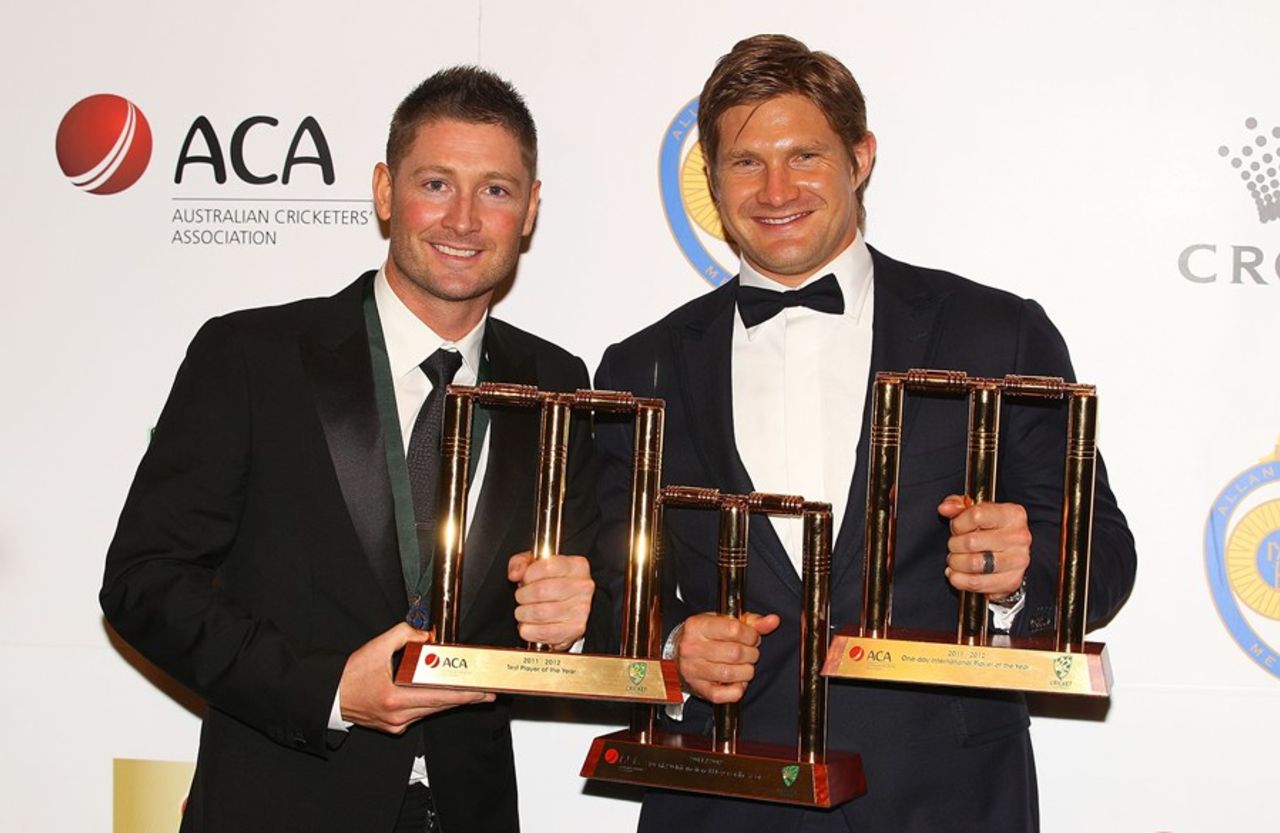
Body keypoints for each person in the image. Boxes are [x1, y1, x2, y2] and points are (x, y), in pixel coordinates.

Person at [593, 35, 1136, 832]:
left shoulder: (997, 334)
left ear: (860, 157)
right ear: (711, 179)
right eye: (746, 162)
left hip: (944, 800)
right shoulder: (640, 365)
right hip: (722, 799)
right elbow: (609, 585)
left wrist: (1016, 583)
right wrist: (673, 644)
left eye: (804, 155)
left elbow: (1106, 558)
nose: (776, 189)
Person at [101, 66, 599, 833]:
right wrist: (329, 688)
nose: (464, 218)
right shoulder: (252, 356)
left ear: (530, 209)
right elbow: (145, 581)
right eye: (436, 183)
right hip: (279, 807)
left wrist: (573, 617)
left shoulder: (556, 381)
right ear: (383, 191)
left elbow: (585, 595)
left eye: (496, 190)